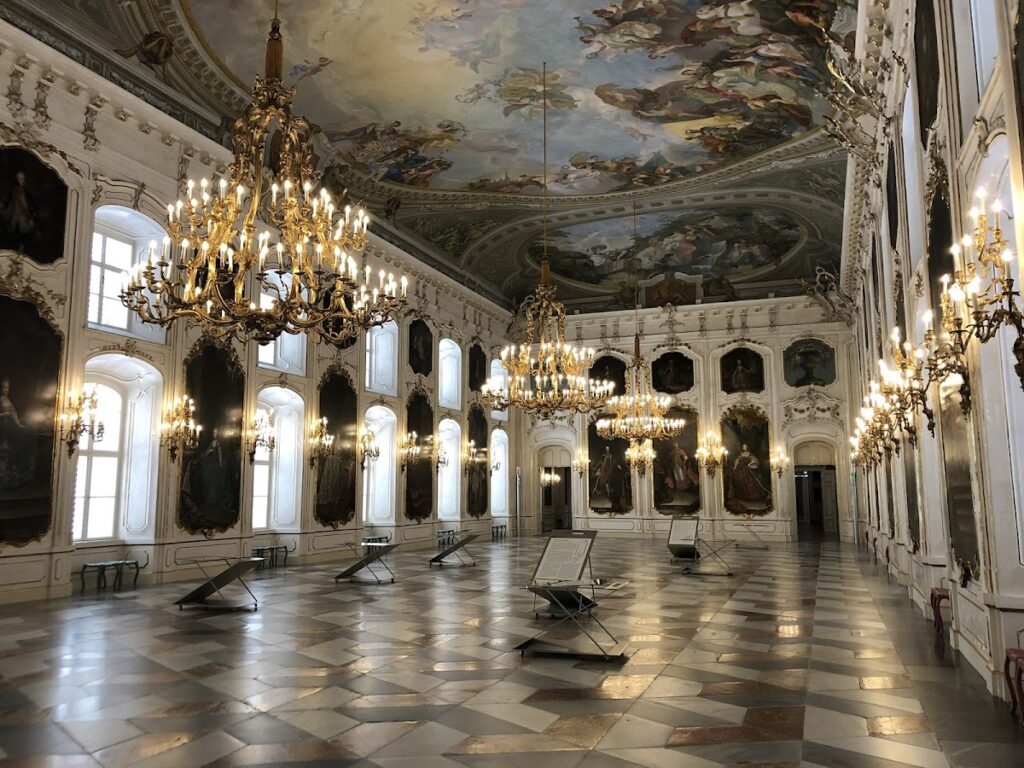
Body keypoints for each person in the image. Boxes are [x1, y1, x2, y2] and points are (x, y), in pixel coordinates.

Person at [727, 443, 770, 510]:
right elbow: (737, 461)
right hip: (739, 469)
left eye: (745, 446)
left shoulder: (749, 454)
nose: (744, 448)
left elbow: (754, 461)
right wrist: (735, 467)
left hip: (746, 469)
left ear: (747, 447)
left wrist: (749, 464)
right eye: (743, 447)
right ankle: (741, 497)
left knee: (749, 482)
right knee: (737, 479)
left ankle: (752, 498)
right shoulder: (741, 454)